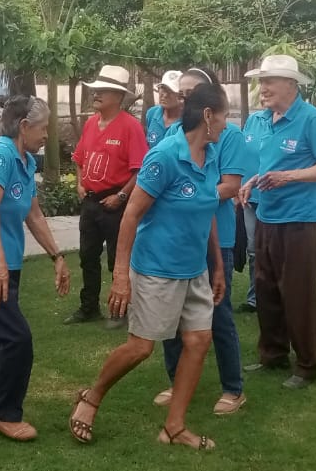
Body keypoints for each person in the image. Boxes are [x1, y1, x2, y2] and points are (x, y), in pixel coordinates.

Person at [68, 82, 228, 450]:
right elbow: (131, 215)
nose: (226, 123)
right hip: (157, 268)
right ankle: (91, 397)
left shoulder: (211, 154)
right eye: (223, 116)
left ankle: (174, 427)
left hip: (194, 271)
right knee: (140, 348)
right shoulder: (165, 156)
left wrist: (217, 265)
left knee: (198, 341)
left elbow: (207, 209)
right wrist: (120, 276)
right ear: (207, 116)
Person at [0, 97, 71, 442]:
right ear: (23, 126)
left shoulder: (25, 161)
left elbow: (33, 214)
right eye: (42, 128)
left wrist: (57, 256)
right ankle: (6, 413)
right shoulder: (1, 156)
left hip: (3, 265)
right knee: (17, 338)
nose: (46, 135)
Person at [154, 69, 254, 415]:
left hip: (215, 236)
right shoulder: (174, 133)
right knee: (173, 314)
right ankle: (177, 381)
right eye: (182, 93)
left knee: (218, 314)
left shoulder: (229, 135)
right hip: (177, 237)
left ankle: (233, 388)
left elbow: (230, 186)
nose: (186, 99)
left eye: (192, 92)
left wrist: (188, 194)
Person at [237, 55, 316, 390]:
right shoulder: (264, 119)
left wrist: (289, 177)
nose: (263, 88)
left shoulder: (310, 118)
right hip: (266, 214)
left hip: (297, 219)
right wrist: (253, 181)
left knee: (298, 292)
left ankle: (307, 364)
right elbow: (268, 164)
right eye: (261, 82)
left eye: (270, 81)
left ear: (291, 85)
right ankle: (273, 354)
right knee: (266, 288)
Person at [65, 65, 147, 329]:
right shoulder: (91, 123)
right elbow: (79, 158)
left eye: (103, 90)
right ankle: (89, 307)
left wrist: (121, 196)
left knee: (117, 258)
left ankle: (120, 310)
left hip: (115, 203)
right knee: (87, 256)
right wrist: (80, 183)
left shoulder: (130, 127)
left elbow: (140, 170)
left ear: (119, 96)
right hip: (90, 202)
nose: (96, 94)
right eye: (96, 89)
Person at [144, 70, 184, 148]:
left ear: (181, 95)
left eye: (171, 91)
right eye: (163, 88)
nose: (165, 95)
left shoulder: (187, 120)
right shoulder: (152, 113)